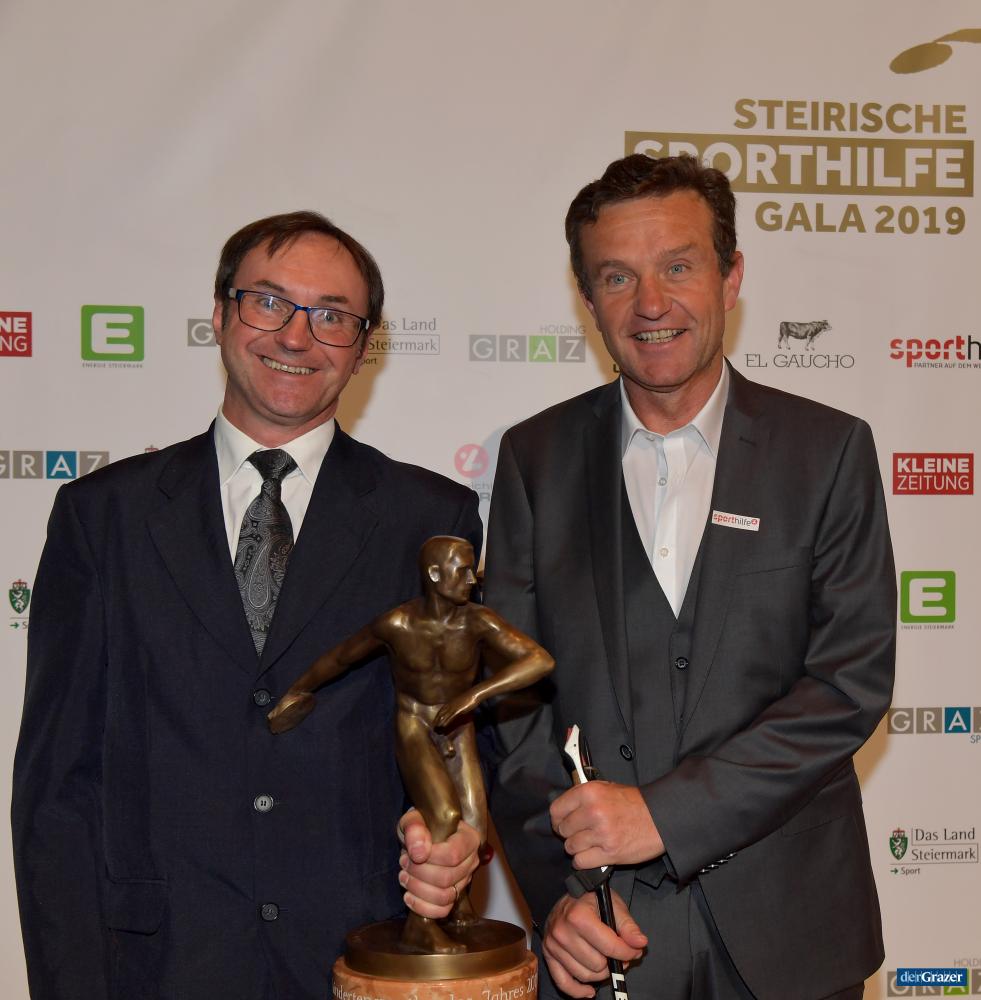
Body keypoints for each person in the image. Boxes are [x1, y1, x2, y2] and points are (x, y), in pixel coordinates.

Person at [12, 211, 483, 1000]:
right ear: (220, 313)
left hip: (361, 958)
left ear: (363, 345)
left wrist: (454, 832)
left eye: (332, 315)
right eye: (269, 302)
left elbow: (460, 739)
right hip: (156, 964)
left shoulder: (430, 520)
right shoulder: (104, 516)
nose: (296, 336)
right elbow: (57, 786)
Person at [485, 155, 895, 1000]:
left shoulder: (827, 452)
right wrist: (556, 897)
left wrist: (663, 815)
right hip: (601, 928)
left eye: (677, 267)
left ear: (730, 276)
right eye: (617, 277)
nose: (650, 303)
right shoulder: (534, 459)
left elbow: (847, 684)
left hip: (793, 929)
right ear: (587, 298)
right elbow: (512, 706)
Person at [268, 534, 554, 954]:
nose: (471, 579)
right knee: (445, 814)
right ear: (434, 575)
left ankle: (456, 905)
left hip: (459, 726)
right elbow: (342, 657)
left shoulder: (478, 621)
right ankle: (420, 925)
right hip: (416, 726)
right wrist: (298, 689)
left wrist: (474, 695)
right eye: (462, 570)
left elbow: (540, 660)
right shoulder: (398, 624)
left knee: (474, 828)